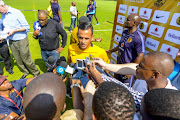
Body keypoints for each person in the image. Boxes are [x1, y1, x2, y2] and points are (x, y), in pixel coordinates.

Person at [86, 51, 177, 110]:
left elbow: (126, 94)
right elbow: (133, 67)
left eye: (141, 66)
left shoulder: (169, 100)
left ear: (155, 74)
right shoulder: (146, 78)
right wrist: (105, 66)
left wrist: (98, 76)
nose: (137, 67)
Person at [0, 0, 40, 79]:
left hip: (21, 40)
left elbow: (26, 27)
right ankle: (25, 72)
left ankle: (36, 73)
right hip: (11, 40)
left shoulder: (16, 12)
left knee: (26, 58)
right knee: (18, 59)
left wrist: (14, 31)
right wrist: (2, 36)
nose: (0, 13)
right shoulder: (3, 14)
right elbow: (6, 28)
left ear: (2, 6)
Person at [106, 13, 145, 86]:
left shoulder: (138, 37)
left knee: (124, 91)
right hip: (118, 67)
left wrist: (131, 70)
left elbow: (140, 55)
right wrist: (111, 51)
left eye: (128, 20)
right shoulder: (125, 32)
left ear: (134, 23)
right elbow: (121, 45)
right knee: (115, 86)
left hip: (127, 70)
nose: (125, 21)